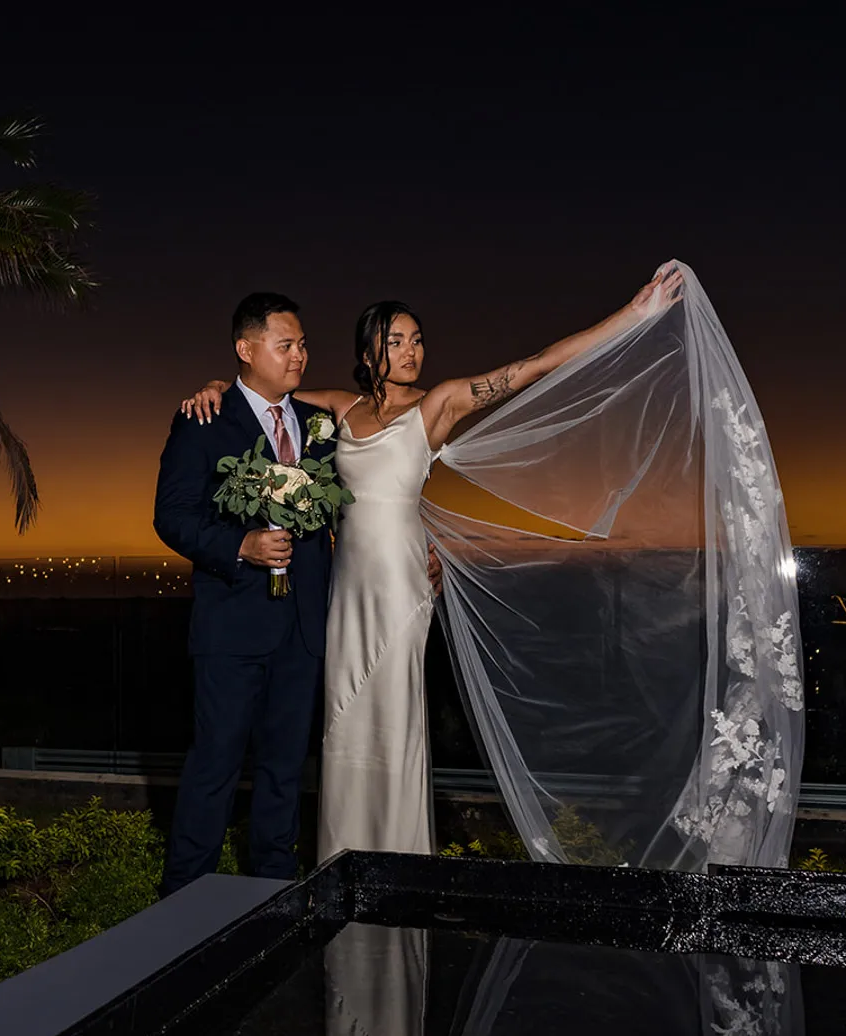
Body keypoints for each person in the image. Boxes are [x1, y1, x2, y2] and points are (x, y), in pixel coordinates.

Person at [179, 267, 685, 861]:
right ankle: (344, 862)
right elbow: (258, 396)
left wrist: (631, 315)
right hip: (345, 592)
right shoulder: (337, 409)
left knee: (394, 719)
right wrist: (215, 383)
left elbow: (536, 365)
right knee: (343, 721)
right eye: (396, 340)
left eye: (417, 338)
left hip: (400, 583)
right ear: (369, 348)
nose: (411, 350)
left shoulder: (438, 404)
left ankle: (396, 861)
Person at [150, 293, 334, 896]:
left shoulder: (316, 425)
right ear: (246, 349)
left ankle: (274, 894)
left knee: (285, 772)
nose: (299, 356)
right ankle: (183, 902)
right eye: (286, 346)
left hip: (302, 629)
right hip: (232, 627)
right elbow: (171, 517)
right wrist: (241, 547)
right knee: (215, 767)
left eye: (303, 344)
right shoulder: (204, 417)